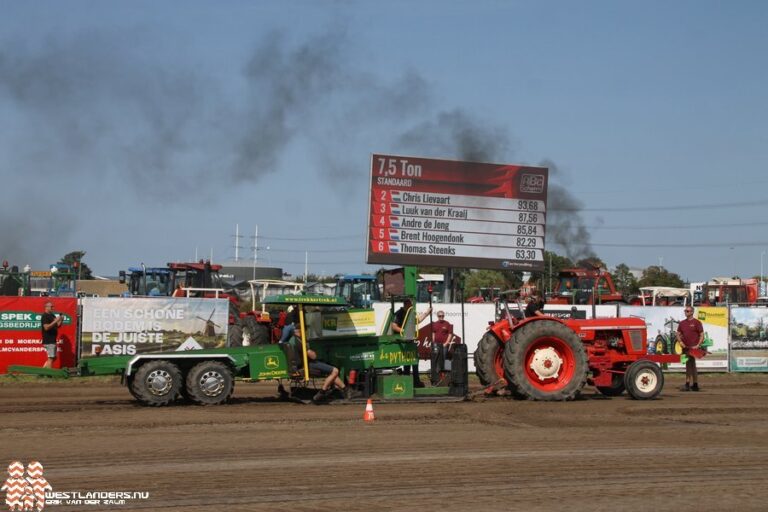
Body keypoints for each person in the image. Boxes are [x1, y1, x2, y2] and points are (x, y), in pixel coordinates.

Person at [391, 298, 432, 387]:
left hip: (409, 340)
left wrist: (427, 313)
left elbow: (417, 321)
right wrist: (403, 331)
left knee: (414, 361)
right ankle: (408, 381)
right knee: (408, 361)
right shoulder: (399, 313)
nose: (412, 306)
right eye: (410, 305)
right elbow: (394, 326)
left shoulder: (409, 313)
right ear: (406, 305)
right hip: (402, 340)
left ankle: (415, 381)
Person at [677, 306, 704, 391]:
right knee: (690, 365)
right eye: (685, 311)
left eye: (687, 311)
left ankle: (689, 384)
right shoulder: (682, 323)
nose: (686, 312)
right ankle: (694, 384)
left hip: (694, 348)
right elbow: (677, 334)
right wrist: (680, 342)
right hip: (685, 347)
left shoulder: (697, 323)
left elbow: (702, 335)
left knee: (690, 365)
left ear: (692, 312)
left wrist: (698, 345)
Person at [40, 301, 62, 369]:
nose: (53, 308)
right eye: (51, 306)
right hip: (48, 340)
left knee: (53, 357)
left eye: (53, 306)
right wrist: (56, 320)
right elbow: (46, 328)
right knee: (51, 358)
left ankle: (43, 371)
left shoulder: (52, 315)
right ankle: (48, 374)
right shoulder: (45, 316)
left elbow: (58, 325)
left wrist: (61, 319)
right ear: (46, 307)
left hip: (53, 339)